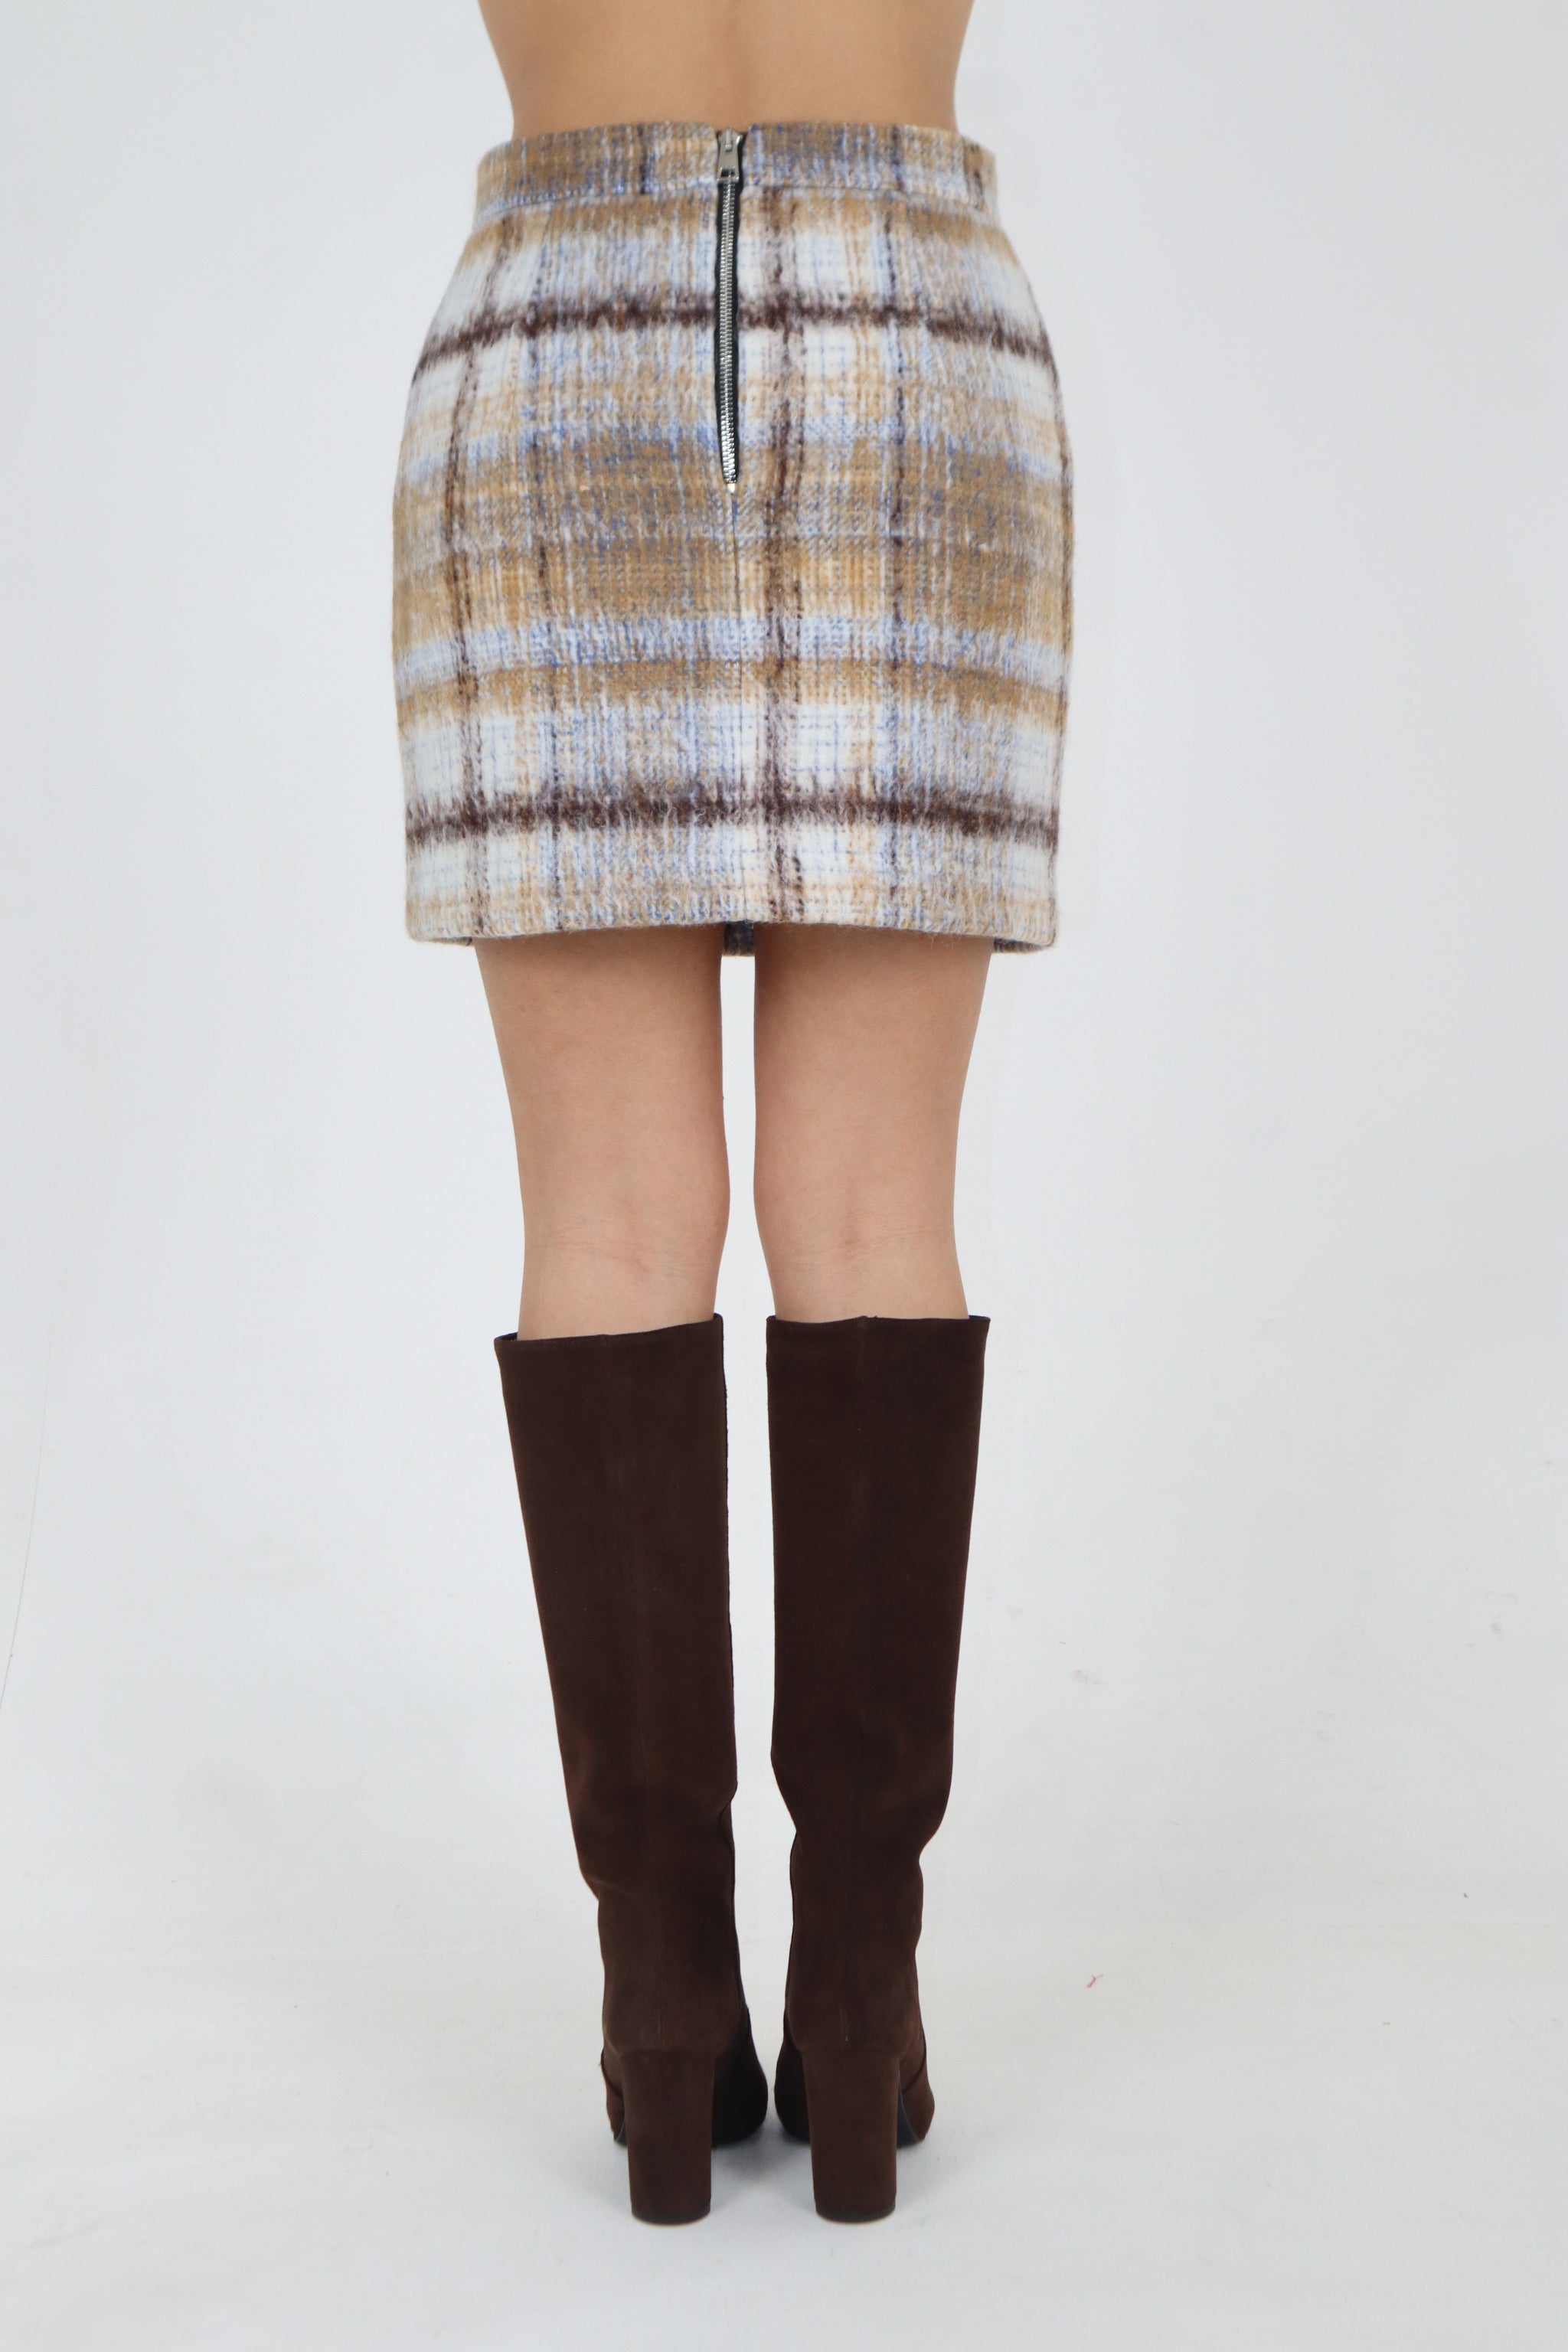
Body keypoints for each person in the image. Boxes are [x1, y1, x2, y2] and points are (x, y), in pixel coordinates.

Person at [390, 0, 1071, 2226]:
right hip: (911, 351)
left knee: (604, 1224)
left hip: (554, 341)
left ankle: (664, 1997)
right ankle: (860, 1999)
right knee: (874, 1208)